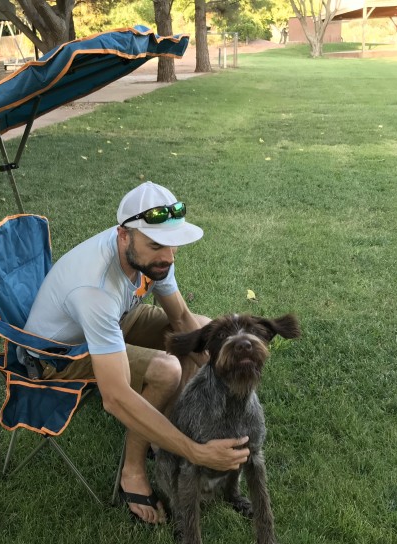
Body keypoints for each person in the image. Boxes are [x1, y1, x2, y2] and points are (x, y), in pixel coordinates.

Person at [21, 181, 250, 524]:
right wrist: (198, 452)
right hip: (60, 354)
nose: (168, 258)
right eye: (157, 245)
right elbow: (115, 397)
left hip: (117, 319)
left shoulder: (149, 255)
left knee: (202, 329)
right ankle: (134, 470)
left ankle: (168, 434)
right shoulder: (94, 288)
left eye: (173, 246)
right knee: (166, 371)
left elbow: (182, 320)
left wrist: (216, 367)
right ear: (124, 236)